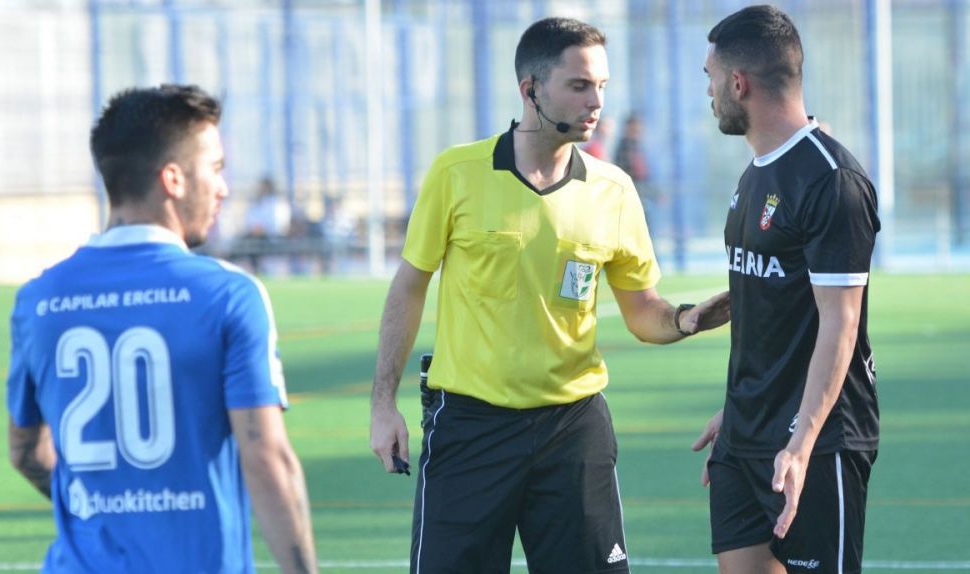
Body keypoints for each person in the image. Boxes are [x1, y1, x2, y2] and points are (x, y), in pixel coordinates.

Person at [369, 17, 730, 574]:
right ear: (530, 89)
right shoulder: (456, 172)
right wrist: (382, 404)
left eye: (602, 86)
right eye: (579, 85)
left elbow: (642, 310)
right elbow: (408, 288)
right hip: (469, 426)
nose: (596, 102)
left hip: (572, 430)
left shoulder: (613, 190)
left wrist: (684, 320)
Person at [6, 85, 319, 573]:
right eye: (215, 168)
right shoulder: (227, 294)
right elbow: (266, 459)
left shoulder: (38, 300)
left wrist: (106, 507)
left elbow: (25, 452)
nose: (223, 188)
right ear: (173, 179)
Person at [691, 6, 880, 573]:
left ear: (738, 83)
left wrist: (799, 444)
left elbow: (840, 323)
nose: (708, 92)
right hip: (744, 434)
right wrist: (739, 407)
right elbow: (774, 307)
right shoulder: (756, 172)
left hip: (816, 442)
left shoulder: (831, 180)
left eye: (710, 78)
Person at [614, 113, 661, 235]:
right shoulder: (624, 148)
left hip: (642, 196)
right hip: (632, 197)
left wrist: (655, 193)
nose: (639, 130)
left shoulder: (637, 146)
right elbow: (628, 175)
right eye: (635, 127)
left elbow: (644, 175)